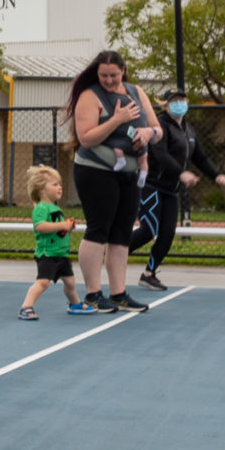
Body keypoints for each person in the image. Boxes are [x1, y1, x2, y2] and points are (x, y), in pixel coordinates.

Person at [68, 51, 158, 312]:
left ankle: (118, 293)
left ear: (123, 71)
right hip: (96, 171)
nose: (108, 80)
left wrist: (148, 132)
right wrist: (116, 120)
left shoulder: (137, 93)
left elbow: (157, 129)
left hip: (128, 173)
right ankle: (94, 294)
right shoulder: (89, 96)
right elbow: (86, 138)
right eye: (103, 75)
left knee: (122, 234)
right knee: (99, 229)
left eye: (113, 75)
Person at [133, 93, 225, 292]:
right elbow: (161, 155)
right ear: (165, 105)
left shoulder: (188, 130)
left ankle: (149, 274)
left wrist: (216, 175)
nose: (180, 105)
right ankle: (114, 252)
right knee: (150, 229)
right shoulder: (160, 126)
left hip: (171, 191)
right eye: (175, 102)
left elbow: (200, 158)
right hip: (152, 186)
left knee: (167, 234)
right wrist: (182, 173)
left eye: (183, 101)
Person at [20, 164, 86, 319]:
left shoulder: (54, 208)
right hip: (48, 254)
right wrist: (62, 225)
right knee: (43, 283)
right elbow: (41, 227)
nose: (60, 188)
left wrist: (67, 226)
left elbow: (57, 229)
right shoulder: (41, 208)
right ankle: (26, 307)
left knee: (70, 282)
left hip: (61, 254)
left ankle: (75, 303)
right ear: (42, 190)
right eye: (55, 184)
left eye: (60, 184)